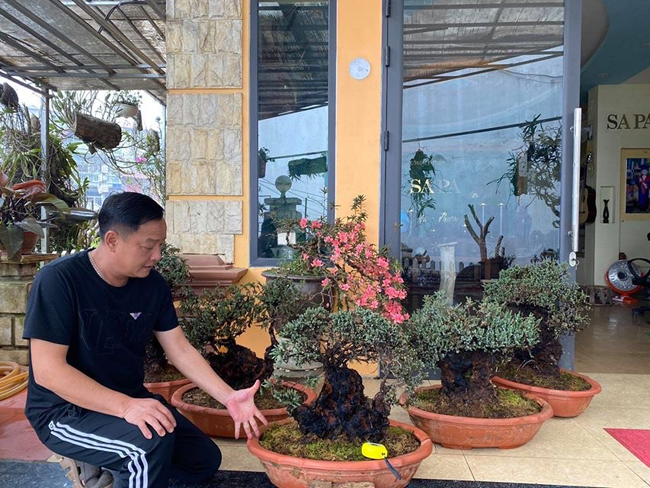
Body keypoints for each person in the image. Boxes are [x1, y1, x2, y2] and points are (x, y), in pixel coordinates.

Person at [23, 192, 268, 488]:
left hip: (129, 398)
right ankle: (108, 460)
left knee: (202, 460)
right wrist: (126, 407)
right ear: (112, 240)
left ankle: (109, 465)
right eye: (148, 246)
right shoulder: (59, 280)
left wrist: (228, 396)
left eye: (160, 245)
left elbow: (179, 349)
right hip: (65, 411)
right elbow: (48, 371)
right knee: (143, 450)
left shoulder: (152, 285)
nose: (157, 256)